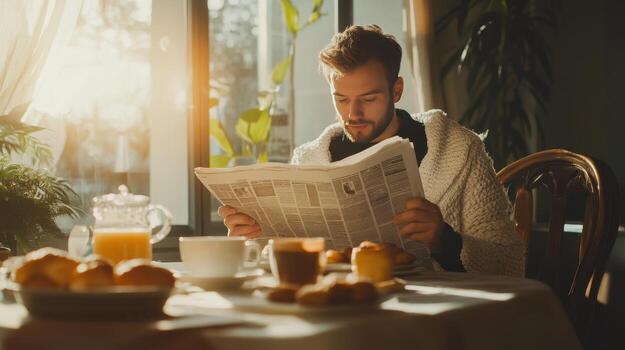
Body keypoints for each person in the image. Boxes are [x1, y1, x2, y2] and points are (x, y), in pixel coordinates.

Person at [218, 25, 525, 276]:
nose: (353, 113)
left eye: (368, 98)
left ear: (396, 90)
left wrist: (445, 240)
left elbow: (510, 263)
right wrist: (251, 237)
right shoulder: (310, 159)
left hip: (430, 316)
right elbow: (287, 260)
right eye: (340, 99)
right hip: (341, 309)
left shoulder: (457, 149)